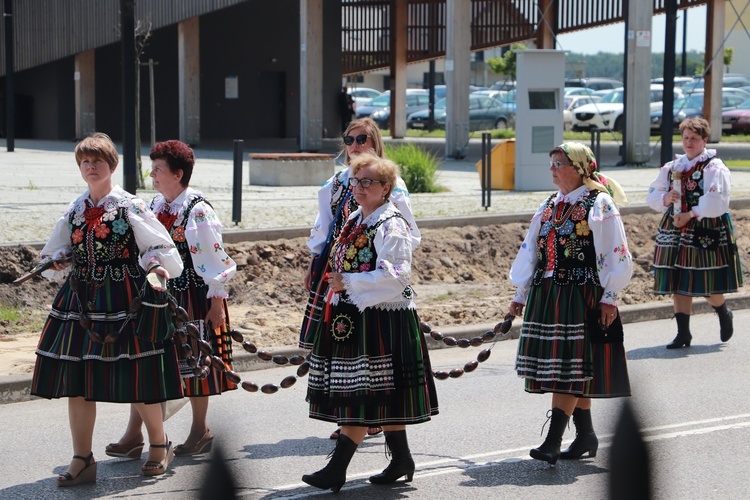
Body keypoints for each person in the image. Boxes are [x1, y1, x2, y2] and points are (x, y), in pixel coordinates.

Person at [30, 132, 184, 484]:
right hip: (81, 301)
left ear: (111, 165)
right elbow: (55, 249)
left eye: (97, 161)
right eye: (84, 161)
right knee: (78, 381)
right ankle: (82, 458)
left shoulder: (131, 206)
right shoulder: (75, 209)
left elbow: (161, 250)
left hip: (123, 299)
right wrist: (57, 260)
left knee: (137, 375)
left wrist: (156, 267)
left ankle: (159, 445)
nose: (90, 167)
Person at [302, 152, 438, 492]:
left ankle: (337, 469)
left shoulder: (391, 224)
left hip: (382, 319)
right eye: (355, 182)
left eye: (367, 182)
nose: (359, 188)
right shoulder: (354, 219)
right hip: (355, 316)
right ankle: (402, 458)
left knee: (362, 393)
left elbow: (397, 275)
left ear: (386, 187)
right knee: (378, 393)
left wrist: (347, 282)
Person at [105, 140, 238, 458]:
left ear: (177, 174)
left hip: (191, 295)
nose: (152, 174)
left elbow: (214, 258)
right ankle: (134, 434)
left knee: (194, 364)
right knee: (147, 362)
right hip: (157, 296)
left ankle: (200, 430)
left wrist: (216, 300)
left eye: (158, 169)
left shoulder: (198, 210)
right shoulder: (155, 206)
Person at [508, 142, 633, 465]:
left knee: (568, 369)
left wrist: (610, 297)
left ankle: (552, 442)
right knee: (572, 368)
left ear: (579, 168)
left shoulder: (599, 203)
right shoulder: (550, 204)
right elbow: (530, 250)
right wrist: (520, 292)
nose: (552, 168)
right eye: (551, 162)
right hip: (548, 294)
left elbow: (614, 252)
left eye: (558, 163)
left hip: (581, 295)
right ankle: (586, 434)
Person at [300, 117, 421, 440]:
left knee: (370, 350)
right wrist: (316, 262)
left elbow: (408, 236)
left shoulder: (388, 185)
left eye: (362, 139)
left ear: (375, 142)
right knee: (343, 347)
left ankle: (366, 423)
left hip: (371, 272)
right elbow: (323, 227)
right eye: (349, 139)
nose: (354, 145)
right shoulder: (336, 184)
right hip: (339, 267)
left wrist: (374, 259)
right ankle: (355, 421)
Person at [646, 117, 742, 349]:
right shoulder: (672, 167)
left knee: (702, 279)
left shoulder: (713, 167)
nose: (688, 143)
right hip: (675, 225)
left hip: (703, 226)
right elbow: (652, 195)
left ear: (704, 140)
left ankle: (722, 311)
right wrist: (665, 198)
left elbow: (717, 201)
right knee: (677, 277)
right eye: (686, 137)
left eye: (694, 139)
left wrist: (690, 214)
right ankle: (683, 333)